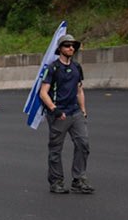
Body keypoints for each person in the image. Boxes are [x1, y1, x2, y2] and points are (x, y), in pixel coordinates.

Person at [37, 34, 92, 193]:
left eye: (73, 45)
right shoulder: (53, 68)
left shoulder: (77, 67)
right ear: (60, 48)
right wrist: (54, 109)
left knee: (83, 144)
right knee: (56, 149)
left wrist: (83, 110)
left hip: (75, 112)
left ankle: (79, 179)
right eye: (67, 45)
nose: (71, 48)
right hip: (58, 113)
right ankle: (56, 181)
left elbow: (79, 90)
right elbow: (43, 93)